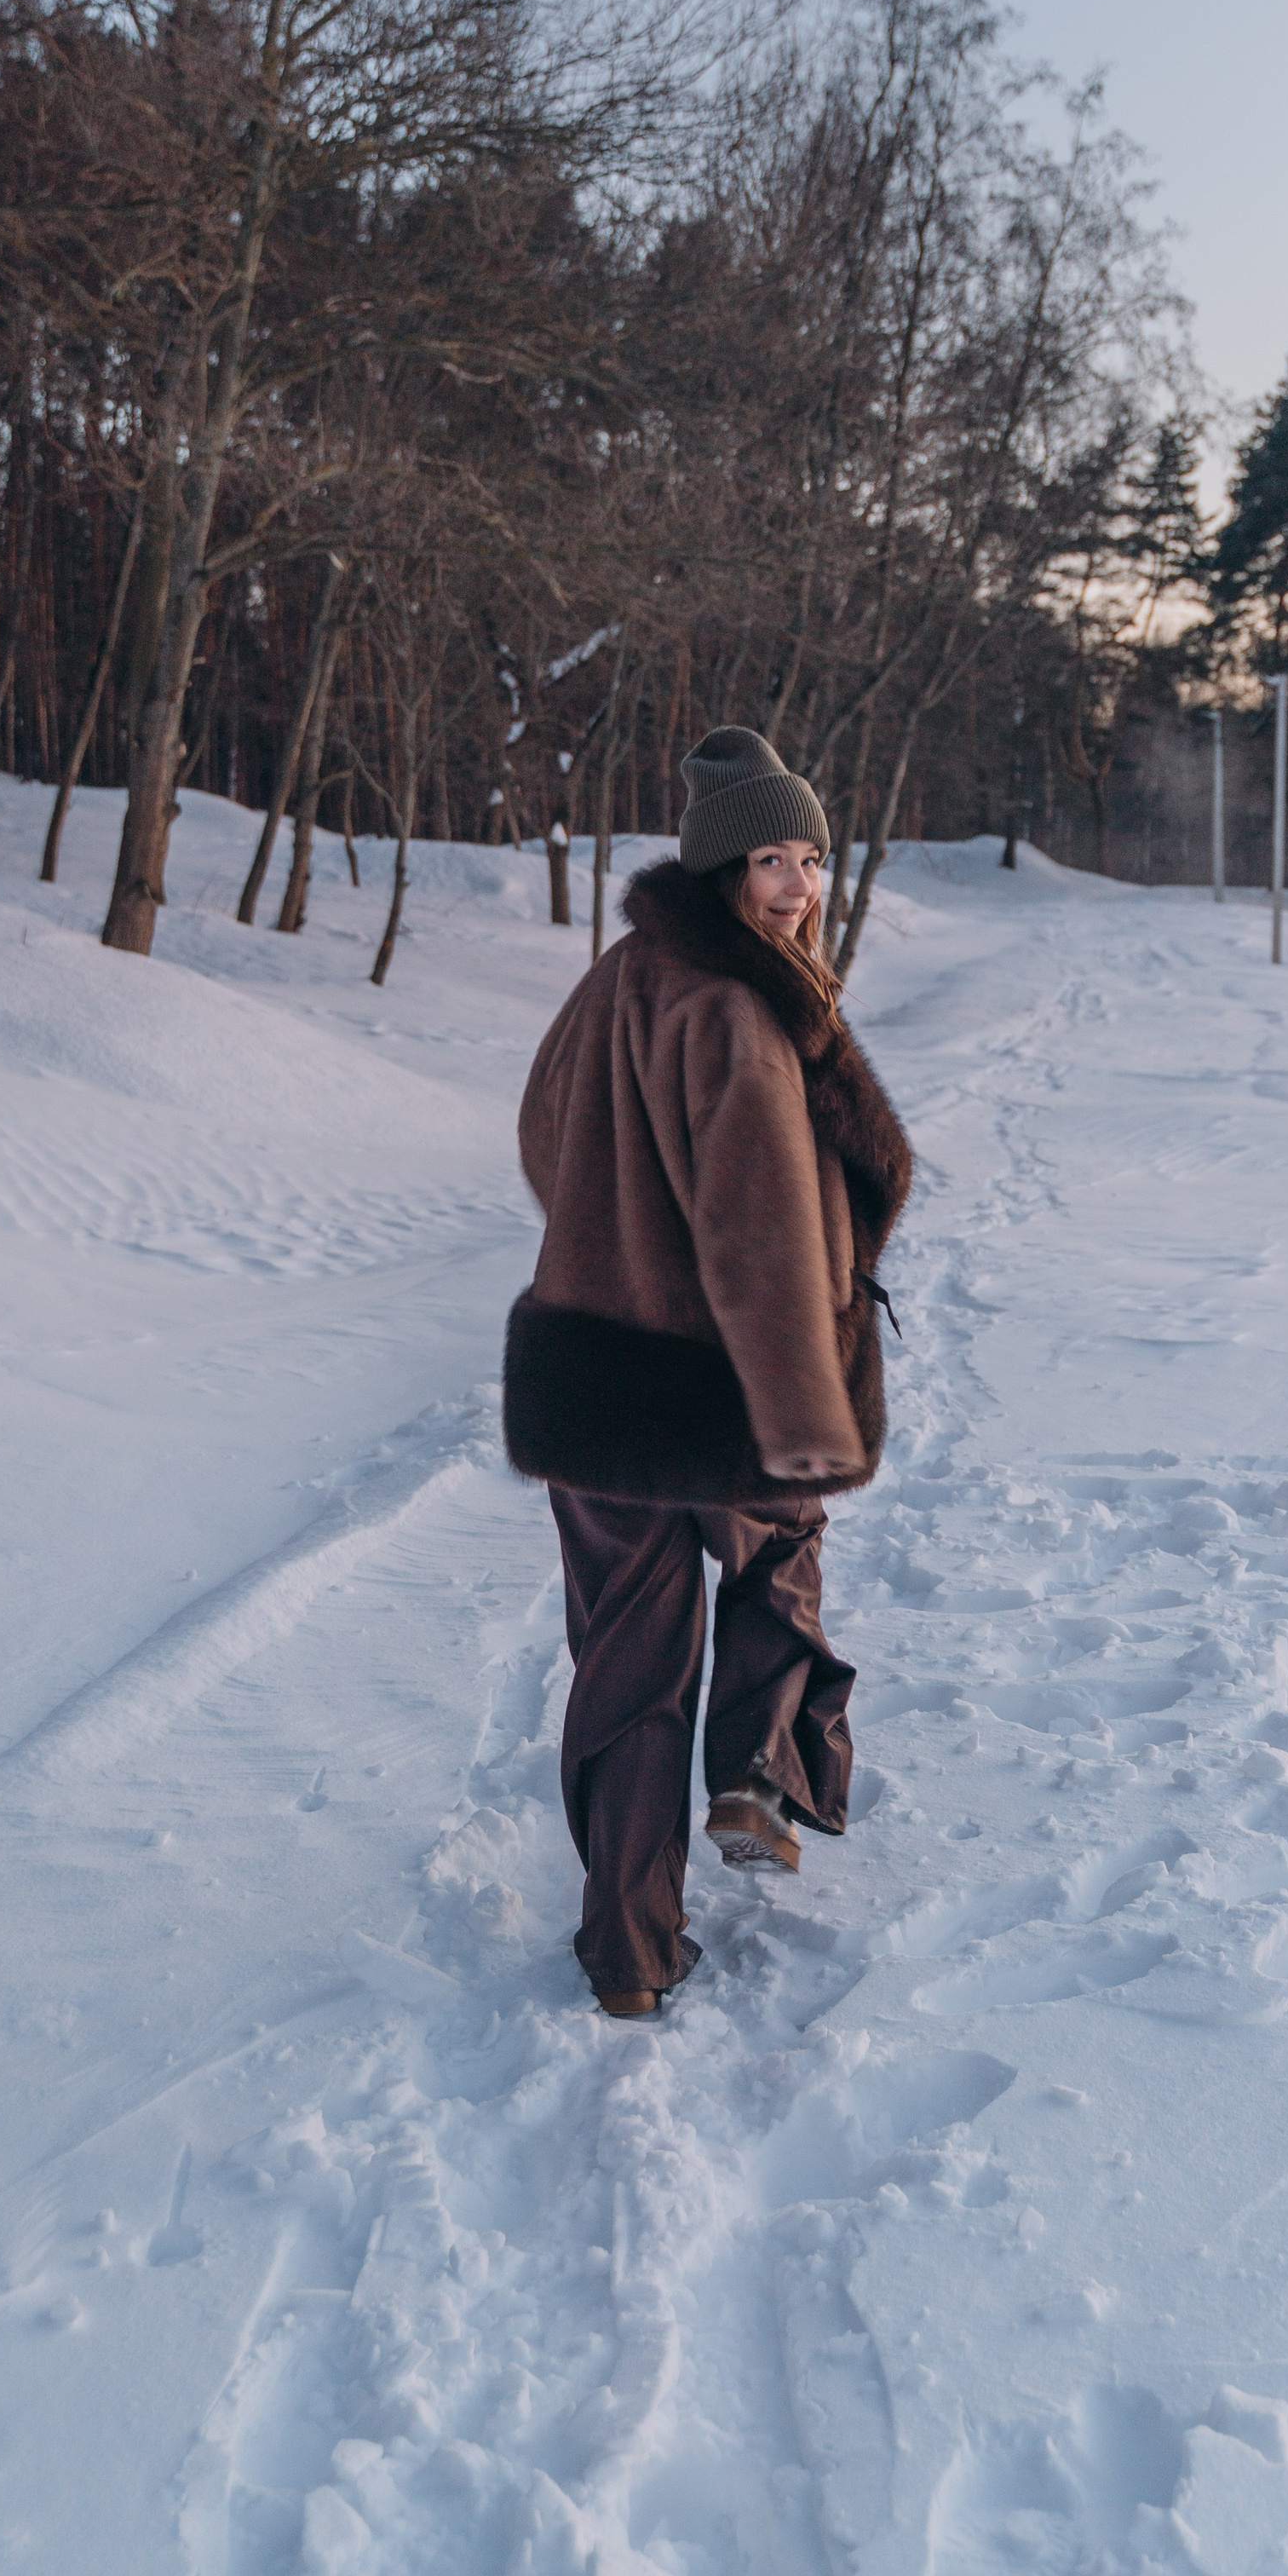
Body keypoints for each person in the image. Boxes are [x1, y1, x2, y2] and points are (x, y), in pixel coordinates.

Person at [504, 727, 913, 2019]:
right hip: (726, 1383)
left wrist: (612, 1241)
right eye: (771, 860)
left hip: (592, 1381)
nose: (798, 886)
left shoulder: (621, 977)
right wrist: (804, 1417)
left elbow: (541, 1133)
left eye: (812, 858)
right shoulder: (737, 1012)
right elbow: (761, 1233)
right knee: (780, 1554)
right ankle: (758, 1779)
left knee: (628, 1667)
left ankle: (628, 1953)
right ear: (721, 867)